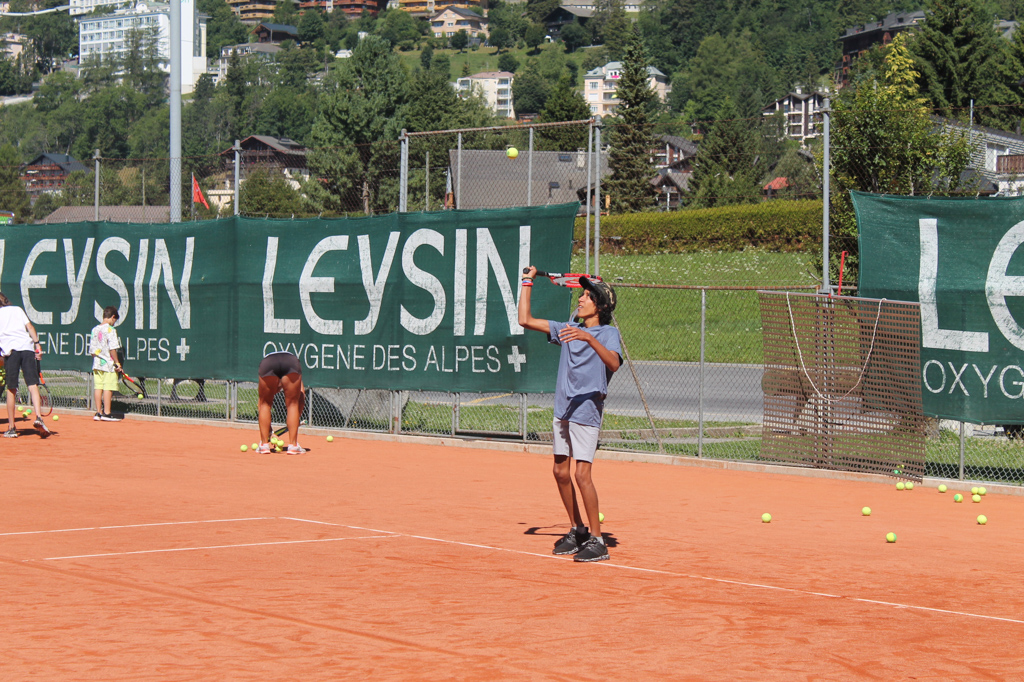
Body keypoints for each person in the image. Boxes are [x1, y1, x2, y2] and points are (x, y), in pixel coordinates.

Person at [518, 266, 621, 562]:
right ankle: (578, 530)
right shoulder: (567, 329)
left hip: (586, 412)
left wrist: (588, 338)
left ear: (600, 306)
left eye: (588, 296)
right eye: (582, 293)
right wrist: (528, 281)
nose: (581, 298)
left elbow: (613, 363)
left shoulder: (607, 333)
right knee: (560, 471)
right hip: (563, 411)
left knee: (581, 474)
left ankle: (598, 541)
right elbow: (524, 319)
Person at [0, 292, 51, 438]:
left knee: (11, 389)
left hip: (11, 352)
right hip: (27, 349)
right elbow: (30, 328)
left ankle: (11, 427)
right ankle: (39, 417)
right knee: (32, 385)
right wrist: (37, 345)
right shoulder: (17, 309)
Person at [257, 350, 305, 455]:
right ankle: (293, 446)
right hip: (290, 362)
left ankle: (263, 446)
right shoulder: (292, 364)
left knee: (265, 403)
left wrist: (293, 424)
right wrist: (270, 433)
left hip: (269, 363)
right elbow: (300, 399)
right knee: (292, 404)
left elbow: (261, 405)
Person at [89, 306, 123, 422]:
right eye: (115, 320)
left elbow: (92, 351)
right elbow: (113, 348)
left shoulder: (95, 329)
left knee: (98, 387)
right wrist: (117, 362)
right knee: (108, 388)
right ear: (113, 317)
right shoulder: (111, 330)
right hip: (108, 365)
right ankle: (107, 413)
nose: (114, 323)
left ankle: (98, 413)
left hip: (97, 364)